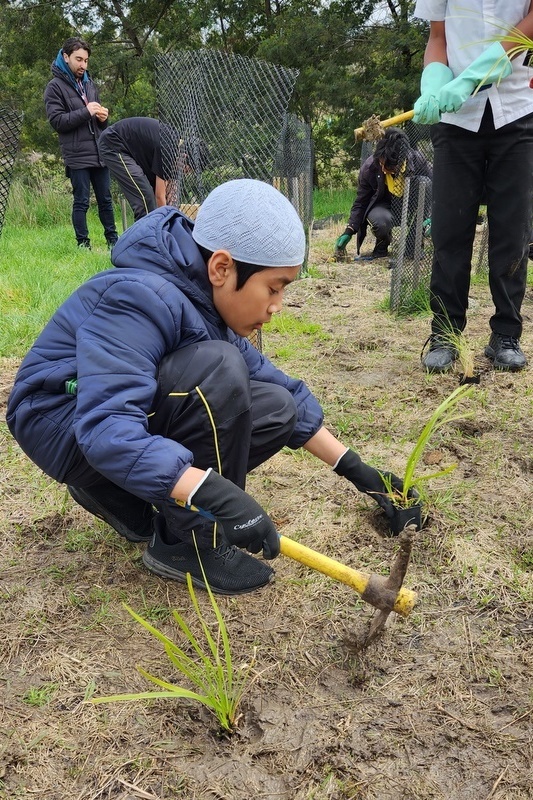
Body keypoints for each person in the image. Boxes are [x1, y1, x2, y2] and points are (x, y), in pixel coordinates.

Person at [7, 179, 409, 596]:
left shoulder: (203, 302)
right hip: (61, 423)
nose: (277, 306)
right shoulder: (140, 297)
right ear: (221, 268)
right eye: (274, 288)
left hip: (106, 425)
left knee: (276, 406)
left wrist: (360, 472)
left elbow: (282, 389)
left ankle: (118, 492)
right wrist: (211, 495)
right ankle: (190, 543)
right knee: (220, 369)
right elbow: (107, 429)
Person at [413, 1, 533, 372]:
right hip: (455, 116)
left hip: (516, 107)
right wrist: (434, 80)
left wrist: (472, 78)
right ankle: (446, 333)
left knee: (512, 231)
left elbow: (528, 28)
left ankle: (506, 335)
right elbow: (437, 37)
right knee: (450, 228)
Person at [44, 37, 118, 250]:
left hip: (99, 152)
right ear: (66, 57)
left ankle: (113, 241)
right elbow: (57, 122)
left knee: (106, 200)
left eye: (86, 60)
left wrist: (103, 119)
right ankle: (83, 245)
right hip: (76, 155)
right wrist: (86, 112)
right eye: (79, 59)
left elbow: (98, 123)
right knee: (82, 202)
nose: (83, 65)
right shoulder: (54, 88)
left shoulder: (89, 83)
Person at [334, 128, 432, 263]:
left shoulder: (416, 160)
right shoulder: (369, 168)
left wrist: (434, 216)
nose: (384, 168)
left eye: (389, 167)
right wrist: (349, 230)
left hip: (409, 205)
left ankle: (412, 247)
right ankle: (381, 246)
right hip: (383, 206)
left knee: (425, 183)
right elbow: (361, 202)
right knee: (381, 223)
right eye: (382, 163)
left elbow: (437, 188)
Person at [97, 117, 198, 221]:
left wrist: (172, 204)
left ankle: (149, 231)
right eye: (188, 169)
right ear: (184, 156)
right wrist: (168, 221)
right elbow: (159, 196)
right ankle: (147, 235)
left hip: (128, 148)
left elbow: (171, 192)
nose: (186, 173)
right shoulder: (168, 150)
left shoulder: (176, 148)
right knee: (145, 197)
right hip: (113, 144)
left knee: (154, 196)